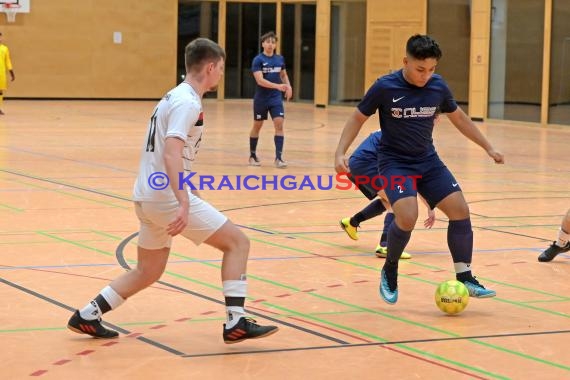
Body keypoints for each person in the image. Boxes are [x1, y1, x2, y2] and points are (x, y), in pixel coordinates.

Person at [67, 38, 278, 344]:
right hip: (165, 197)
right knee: (237, 243)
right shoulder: (187, 102)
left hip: (147, 195)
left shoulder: (173, 96)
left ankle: (88, 314)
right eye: (220, 68)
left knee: (148, 270)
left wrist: (190, 194)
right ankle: (236, 321)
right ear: (210, 67)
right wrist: (183, 202)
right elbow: (171, 152)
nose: (221, 73)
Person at [334, 34, 504, 305]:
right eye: (420, 69)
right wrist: (340, 152)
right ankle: (390, 270)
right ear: (406, 61)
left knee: (460, 210)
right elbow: (357, 117)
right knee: (407, 215)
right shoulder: (385, 86)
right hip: (394, 162)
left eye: (432, 69)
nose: (426, 75)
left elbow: (459, 117)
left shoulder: (437, 86)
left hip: (428, 160)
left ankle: (466, 277)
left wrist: (488, 147)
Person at [339, 130, 436, 259]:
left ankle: (352, 223)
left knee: (389, 200)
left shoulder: (397, 126)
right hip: (366, 165)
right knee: (399, 202)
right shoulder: (411, 137)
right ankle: (385, 245)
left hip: (356, 165)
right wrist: (430, 206)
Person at [248, 31, 292, 168]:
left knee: (279, 124)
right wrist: (278, 86)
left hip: (275, 99)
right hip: (261, 98)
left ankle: (278, 158)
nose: (270, 44)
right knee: (257, 125)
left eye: (273, 42)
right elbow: (260, 81)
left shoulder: (279, 59)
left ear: (275, 44)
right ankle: (253, 155)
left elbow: (283, 75)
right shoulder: (258, 60)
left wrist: (289, 86)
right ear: (262, 44)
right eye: (267, 42)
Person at [0, 32, 15, 115]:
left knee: (0, 91)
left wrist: (11, 72)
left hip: (1, 73)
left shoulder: (4, 49)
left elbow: (8, 61)